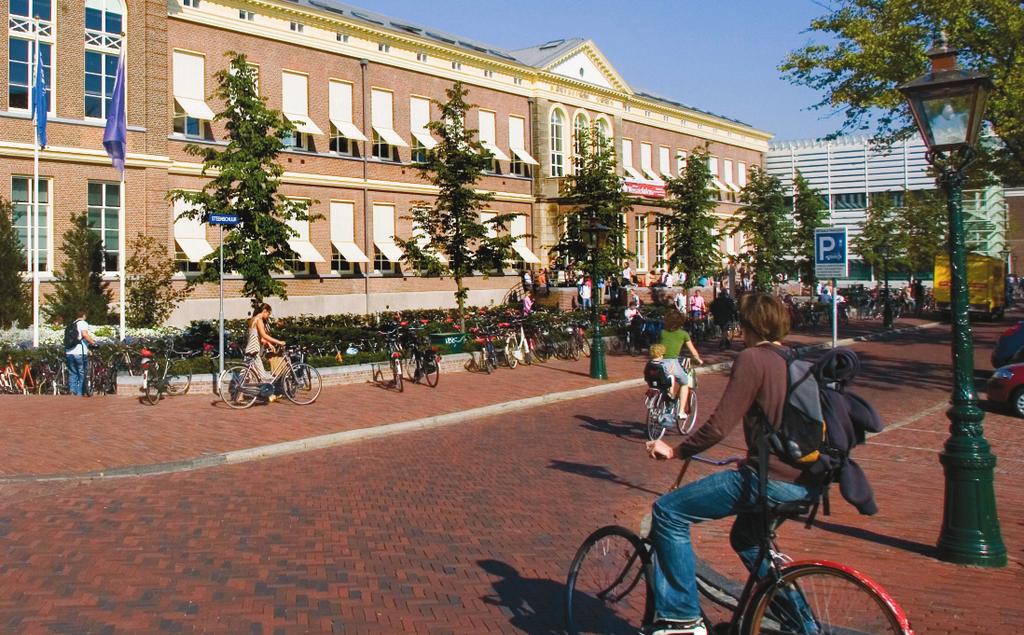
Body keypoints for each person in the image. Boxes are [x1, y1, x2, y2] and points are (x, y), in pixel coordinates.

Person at [643, 293, 820, 635]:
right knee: (747, 539)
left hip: (769, 480)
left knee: (668, 512)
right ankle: (804, 625)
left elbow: (719, 426)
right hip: (805, 480)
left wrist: (676, 451)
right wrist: (756, 456)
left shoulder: (753, 359)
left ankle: (682, 620)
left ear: (749, 325)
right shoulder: (792, 358)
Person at [655, 310, 703, 421]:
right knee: (685, 381)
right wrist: (698, 360)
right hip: (672, 362)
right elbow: (693, 351)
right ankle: (681, 412)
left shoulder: (662, 332)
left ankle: (668, 400)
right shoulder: (683, 334)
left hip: (658, 362)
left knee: (666, 381)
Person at [246, 302, 286, 383]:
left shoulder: (253, 319)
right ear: (264, 311)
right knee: (262, 376)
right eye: (268, 313)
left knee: (246, 375)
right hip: (254, 350)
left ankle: (238, 395)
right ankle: (269, 395)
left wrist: (269, 344)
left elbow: (258, 337)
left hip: (249, 349)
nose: (268, 316)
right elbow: (264, 335)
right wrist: (279, 342)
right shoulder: (259, 320)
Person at [64, 310, 97, 397]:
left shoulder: (72, 324)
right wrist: (93, 343)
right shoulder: (83, 323)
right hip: (79, 352)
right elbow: (85, 335)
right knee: (82, 372)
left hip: (69, 351)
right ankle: (79, 393)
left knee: (72, 372)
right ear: (84, 315)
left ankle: (72, 391)